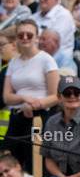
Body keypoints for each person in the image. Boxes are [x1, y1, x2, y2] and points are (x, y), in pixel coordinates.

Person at [1, 20, 59, 169]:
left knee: (35, 167)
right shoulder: (13, 62)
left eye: (29, 34)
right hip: (16, 117)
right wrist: (23, 98)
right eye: (21, 35)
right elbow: (7, 97)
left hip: (37, 118)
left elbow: (56, 96)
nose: (25, 38)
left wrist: (34, 105)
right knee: (7, 163)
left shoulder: (46, 60)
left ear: (37, 37)